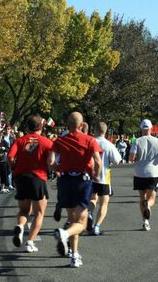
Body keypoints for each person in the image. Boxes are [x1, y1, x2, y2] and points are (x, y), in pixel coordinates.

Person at [50, 111, 101, 268]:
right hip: (82, 181)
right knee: (82, 223)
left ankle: (74, 255)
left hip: (65, 180)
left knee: (73, 220)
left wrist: (57, 168)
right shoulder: (90, 140)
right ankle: (64, 234)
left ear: (67, 125)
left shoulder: (60, 140)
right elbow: (98, 161)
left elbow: (50, 161)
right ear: (81, 125)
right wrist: (95, 176)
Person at [8, 115, 53, 253]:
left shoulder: (20, 140)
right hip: (37, 178)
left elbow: (10, 156)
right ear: (41, 126)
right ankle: (30, 242)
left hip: (21, 177)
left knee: (23, 210)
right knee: (39, 212)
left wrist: (14, 168)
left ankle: (20, 226)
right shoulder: (46, 142)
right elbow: (51, 162)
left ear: (28, 126)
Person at [129, 119, 158, 231]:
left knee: (142, 197)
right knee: (151, 198)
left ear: (141, 128)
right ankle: (148, 205)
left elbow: (131, 158)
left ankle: (145, 222)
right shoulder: (157, 141)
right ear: (151, 128)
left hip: (139, 173)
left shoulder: (137, 141)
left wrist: (137, 158)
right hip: (153, 173)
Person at [87, 122, 121, 236]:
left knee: (92, 199)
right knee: (104, 203)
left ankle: (89, 213)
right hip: (103, 177)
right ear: (105, 132)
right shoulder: (108, 145)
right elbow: (117, 160)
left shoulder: (89, 141)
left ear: (95, 129)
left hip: (89, 176)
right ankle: (97, 226)